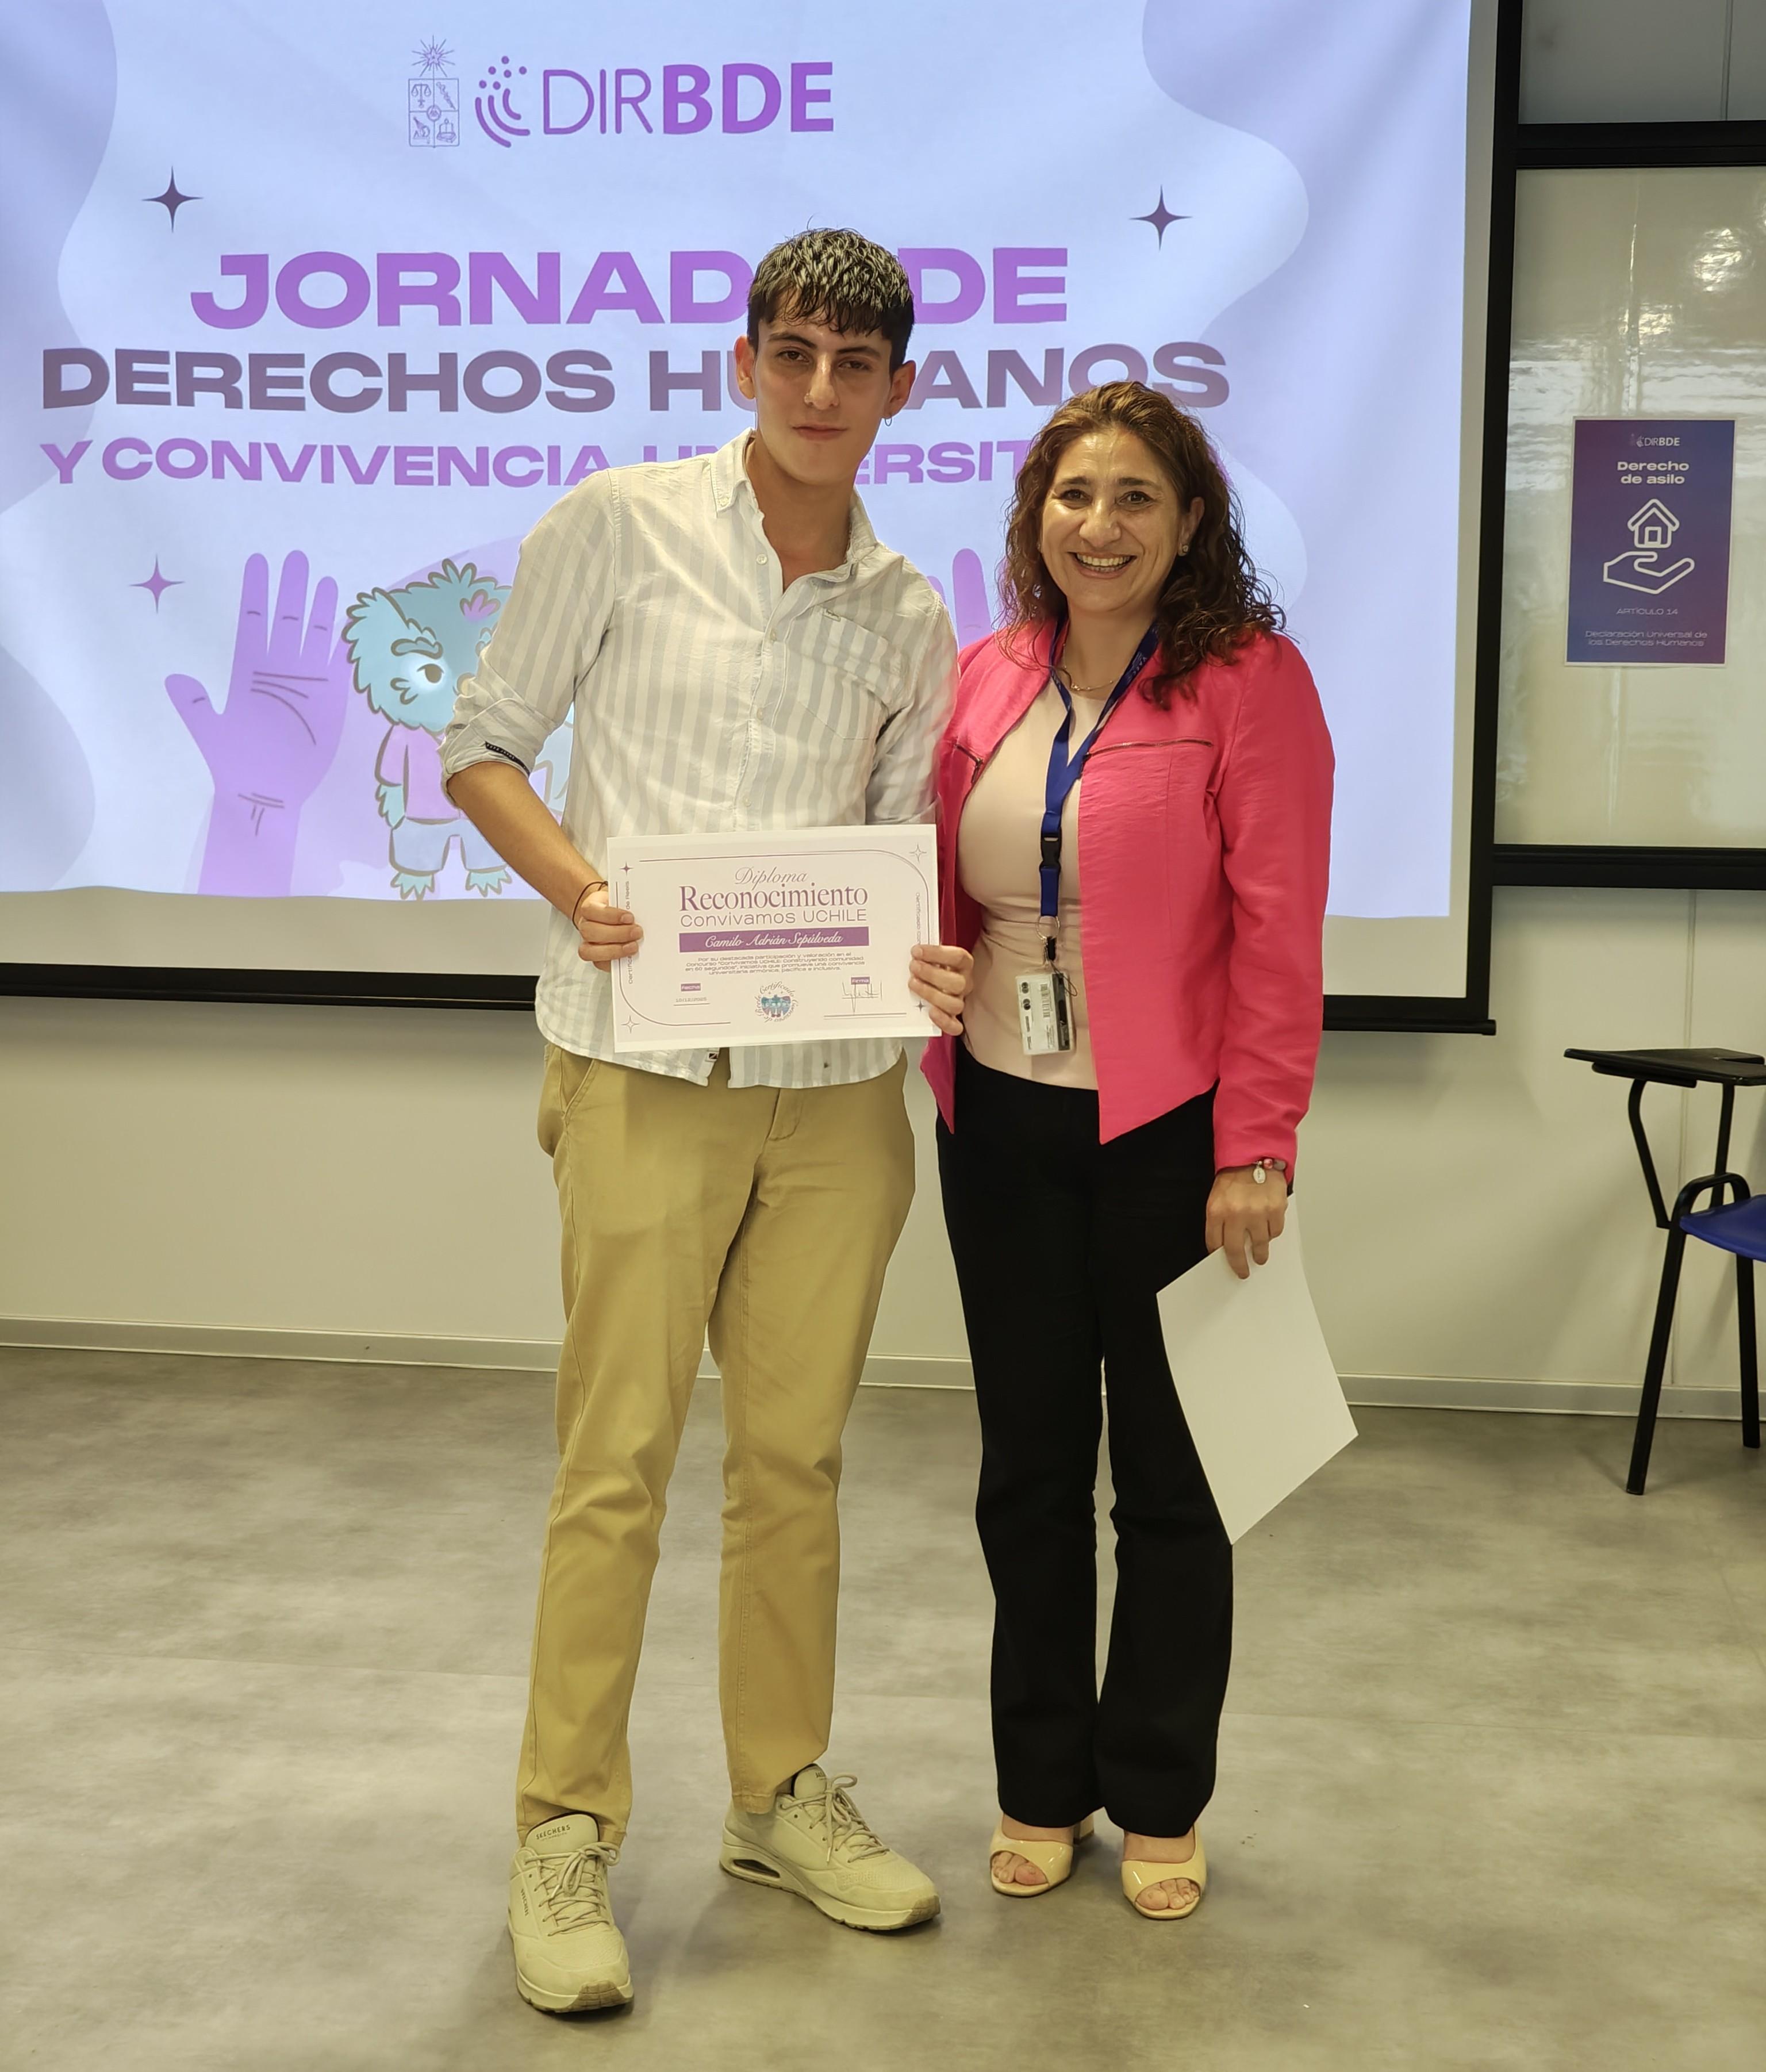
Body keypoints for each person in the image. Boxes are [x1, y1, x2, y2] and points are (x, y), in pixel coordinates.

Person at [442, 228, 973, 2013]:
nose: (821, 389)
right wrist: (586, 889)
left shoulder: (911, 611)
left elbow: (898, 849)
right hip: (642, 1069)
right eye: (793, 353)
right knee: (616, 1462)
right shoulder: (617, 524)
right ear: (745, 362)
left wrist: (920, 958)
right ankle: (562, 1823)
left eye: (856, 363)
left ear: (901, 388)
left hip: (835, 1099)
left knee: (795, 1462)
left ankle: (777, 1791)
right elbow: (482, 744)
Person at [923, 382, 1333, 1920]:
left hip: (1173, 1135)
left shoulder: (1247, 681)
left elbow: (1280, 934)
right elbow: (936, 883)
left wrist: (1258, 1146)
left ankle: (1159, 1792)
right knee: (1026, 1473)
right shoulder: (987, 674)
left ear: (1191, 521)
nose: (1100, 526)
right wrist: (919, 964)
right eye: (1075, 495)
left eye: (1136, 498)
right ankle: (1042, 1782)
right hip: (998, 1119)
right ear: (1037, 514)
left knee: (1171, 1483)